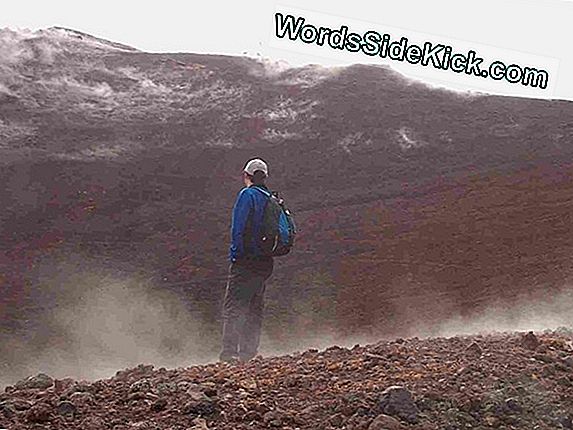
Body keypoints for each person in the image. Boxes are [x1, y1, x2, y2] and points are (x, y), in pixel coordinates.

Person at [219, 158, 274, 363]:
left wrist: (236, 255)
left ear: (246, 175)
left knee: (235, 306)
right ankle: (249, 352)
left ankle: (229, 353)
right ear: (265, 177)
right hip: (265, 261)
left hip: (245, 260)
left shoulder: (247, 195)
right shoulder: (269, 197)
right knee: (255, 306)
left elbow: (238, 229)